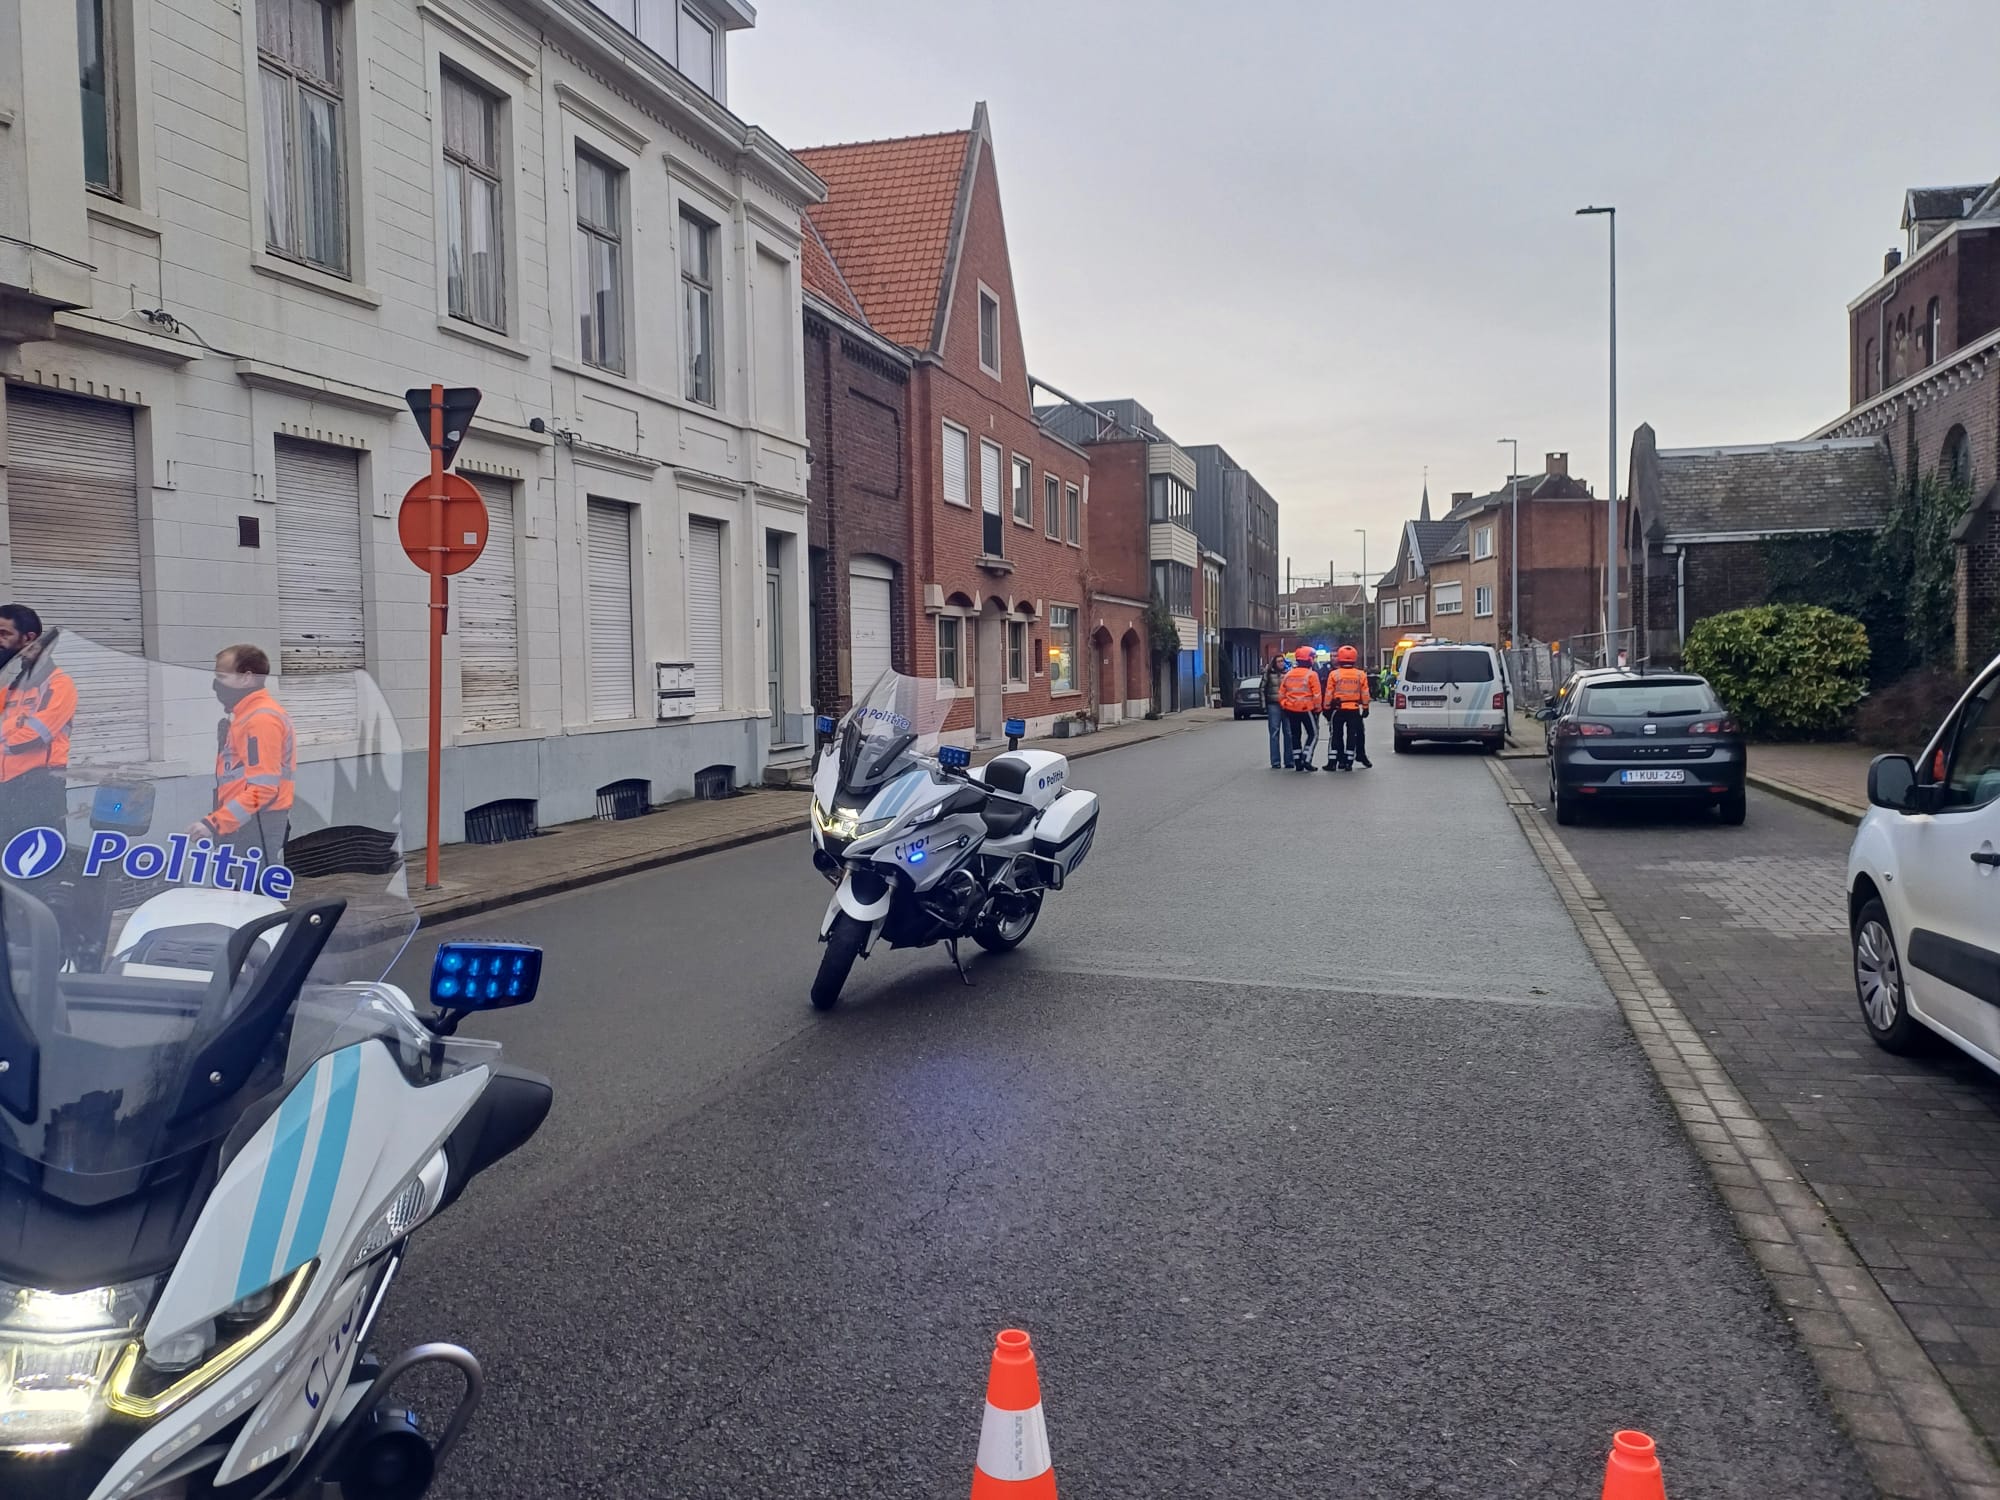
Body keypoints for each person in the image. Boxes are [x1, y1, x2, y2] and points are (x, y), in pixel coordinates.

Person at [191, 644, 295, 878]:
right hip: (242, 822)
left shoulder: (261, 720)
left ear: (247, 677)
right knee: (232, 892)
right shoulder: (245, 716)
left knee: (247, 893)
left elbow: (264, 789)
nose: (216, 684)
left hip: (256, 824)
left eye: (222, 676)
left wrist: (215, 823)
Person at [0, 605, 76, 836]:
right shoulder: (12, 685)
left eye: (4, 634)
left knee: (41, 851)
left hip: (40, 786)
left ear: (28, 638)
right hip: (6, 786)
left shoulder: (58, 684)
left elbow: (35, 734)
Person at [1278, 646, 1326, 772]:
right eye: (1313, 658)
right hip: (1307, 709)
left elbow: (1281, 693)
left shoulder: (1288, 674)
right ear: (1309, 659)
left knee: (1295, 735)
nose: (1314, 660)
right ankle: (1306, 757)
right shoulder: (1312, 675)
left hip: (1291, 709)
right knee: (1313, 734)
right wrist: (1318, 709)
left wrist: (1285, 705)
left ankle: (1298, 761)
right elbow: (1317, 695)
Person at [1327, 644, 1373, 771]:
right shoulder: (1360, 674)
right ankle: (1349, 761)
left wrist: (1326, 707)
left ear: (1339, 658)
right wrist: (1365, 707)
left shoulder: (1334, 674)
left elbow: (1329, 693)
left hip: (1338, 708)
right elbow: (1365, 693)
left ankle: (1334, 761)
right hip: (1354, 708)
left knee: (1336, 734)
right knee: (1352, 735)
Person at [1261, 652, 1288, 769]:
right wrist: (1263, 705)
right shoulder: (1268, 673)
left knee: (1288, 733)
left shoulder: (1288, 673)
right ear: (1274, 663)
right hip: (1273, 704)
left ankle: (1289, 761)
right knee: (1274, 733)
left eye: (1282, 661)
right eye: (1278, 661)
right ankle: (1275, 761)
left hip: (1286, 705)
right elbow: (1262, 688)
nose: (1281, 663)